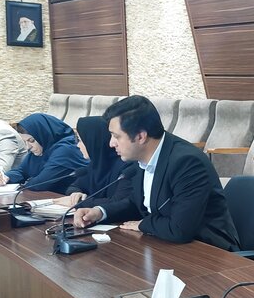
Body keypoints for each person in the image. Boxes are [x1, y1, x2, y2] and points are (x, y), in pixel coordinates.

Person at [72, 96, 240, 251]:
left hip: (209, 252)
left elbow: (180, 228)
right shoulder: (141, 159)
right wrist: (100, 212)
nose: (111, 143)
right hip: (167, 245)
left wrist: (143, 224)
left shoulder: (187, 163)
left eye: (116, 136)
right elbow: (136, 204)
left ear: (140, 136)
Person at [0, 113, 87, 194]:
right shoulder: (42, 147)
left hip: (71, 201)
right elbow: (21, 171)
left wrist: (25, 183)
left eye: (31, 141)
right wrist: (6, 177)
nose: (28, 147)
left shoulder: (66, 150)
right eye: (25, 142)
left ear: (43, 134)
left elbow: (41, 183)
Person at [55, 116, 138, 207]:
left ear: (94, 141)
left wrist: (81, 202)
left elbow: (119, 202)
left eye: (80, 140)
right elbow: (74, 186)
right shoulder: (96, 165)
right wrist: (76, 194)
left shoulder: (127, 167)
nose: (78, 145)